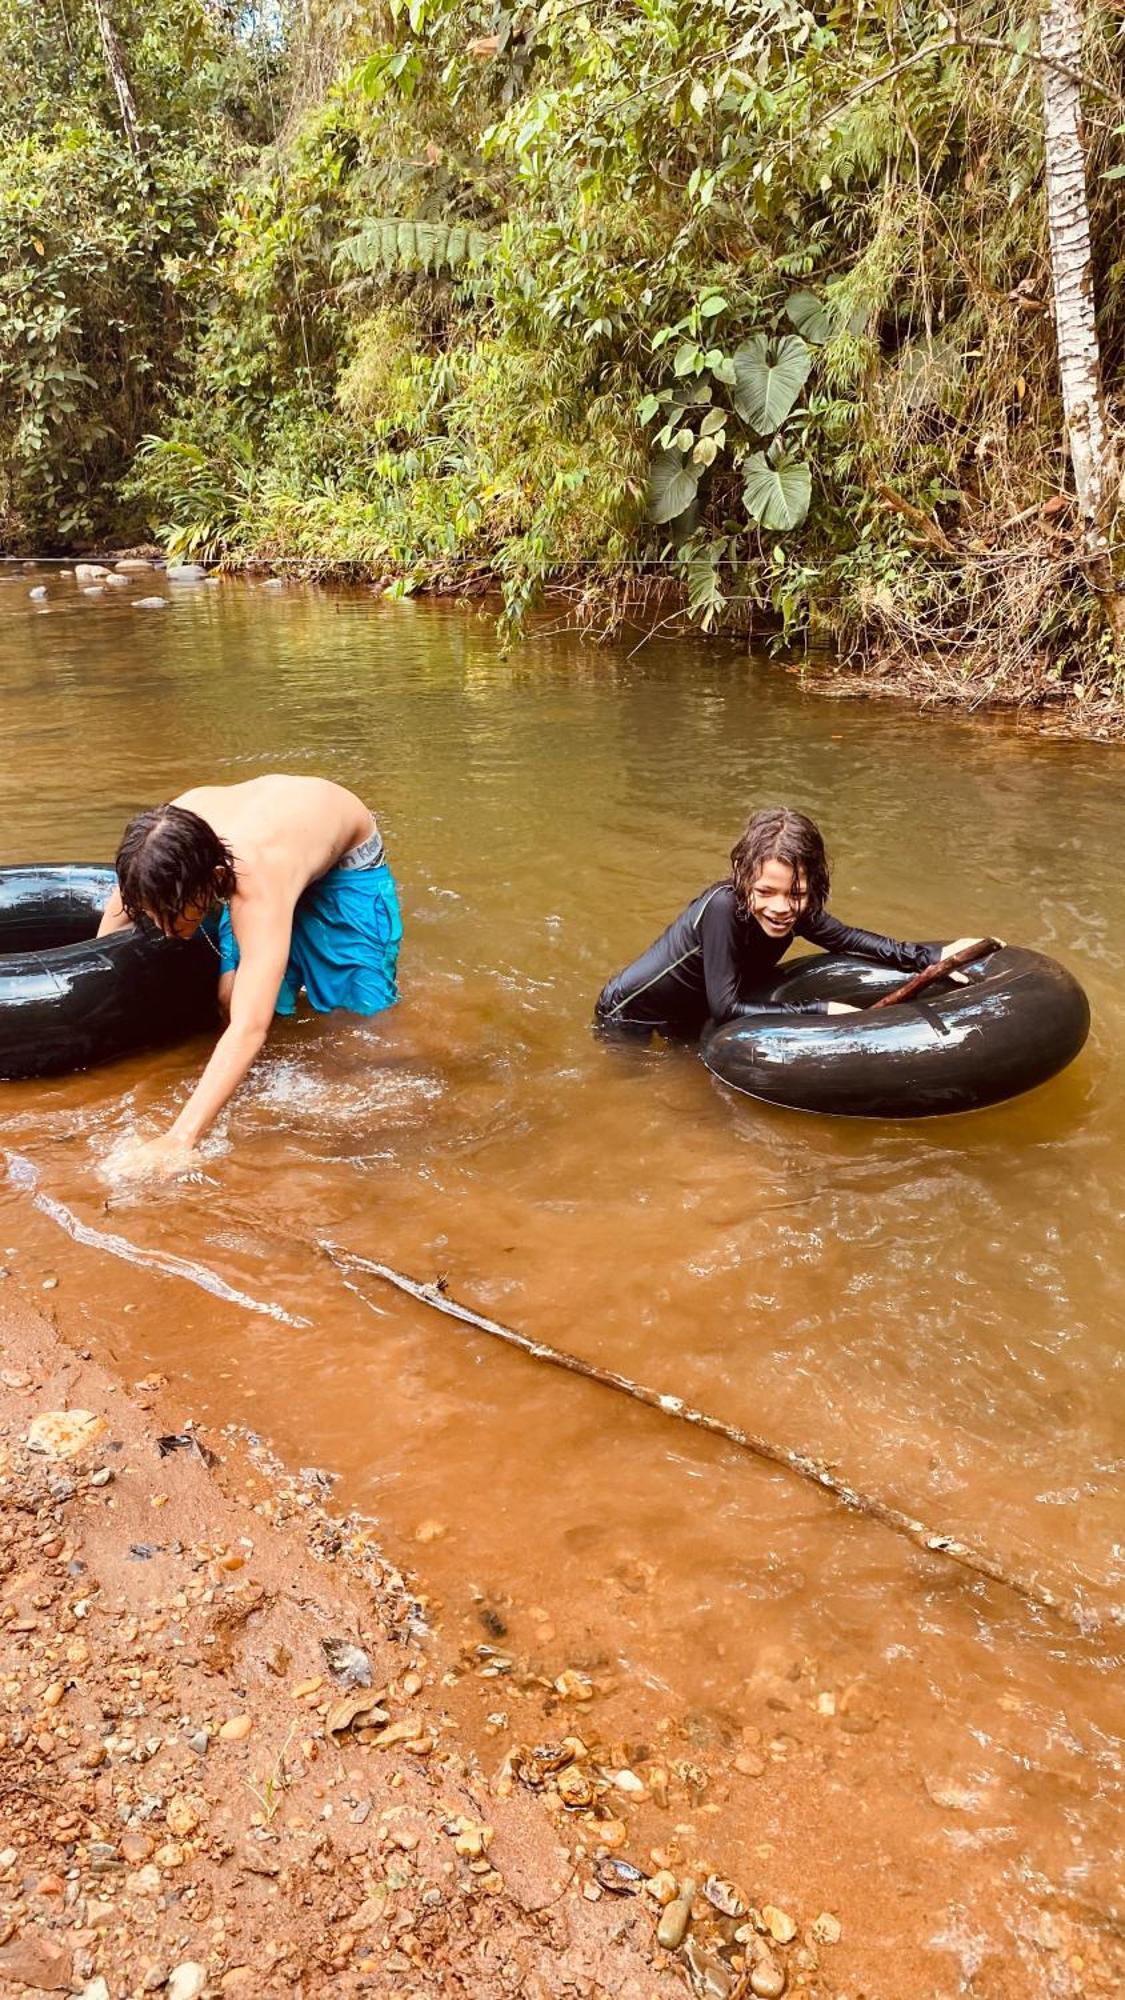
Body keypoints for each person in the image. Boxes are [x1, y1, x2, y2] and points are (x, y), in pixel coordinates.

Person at [97, 775, 402, 1175]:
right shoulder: (156, 853)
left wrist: (179, 1138)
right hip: (264, 838)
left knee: (362, 1020)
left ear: (213, 883)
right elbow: (111, 927)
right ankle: (243, 1076)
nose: (163, 927)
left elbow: (249, 1027)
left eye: (169, 912)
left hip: (344, 857)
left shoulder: (255, 877)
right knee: (229, 994)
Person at [594, 804, 988, 1039]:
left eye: (796, 894)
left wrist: (929, 956)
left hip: (690, 1012)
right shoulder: (722, 909)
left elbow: (847, 938)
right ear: (742, 875)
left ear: (812, 885)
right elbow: (727, 1008)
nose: (781, 907)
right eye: (766, 892)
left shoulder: (796, 910)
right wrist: (822, 1010)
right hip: (630, 1012)